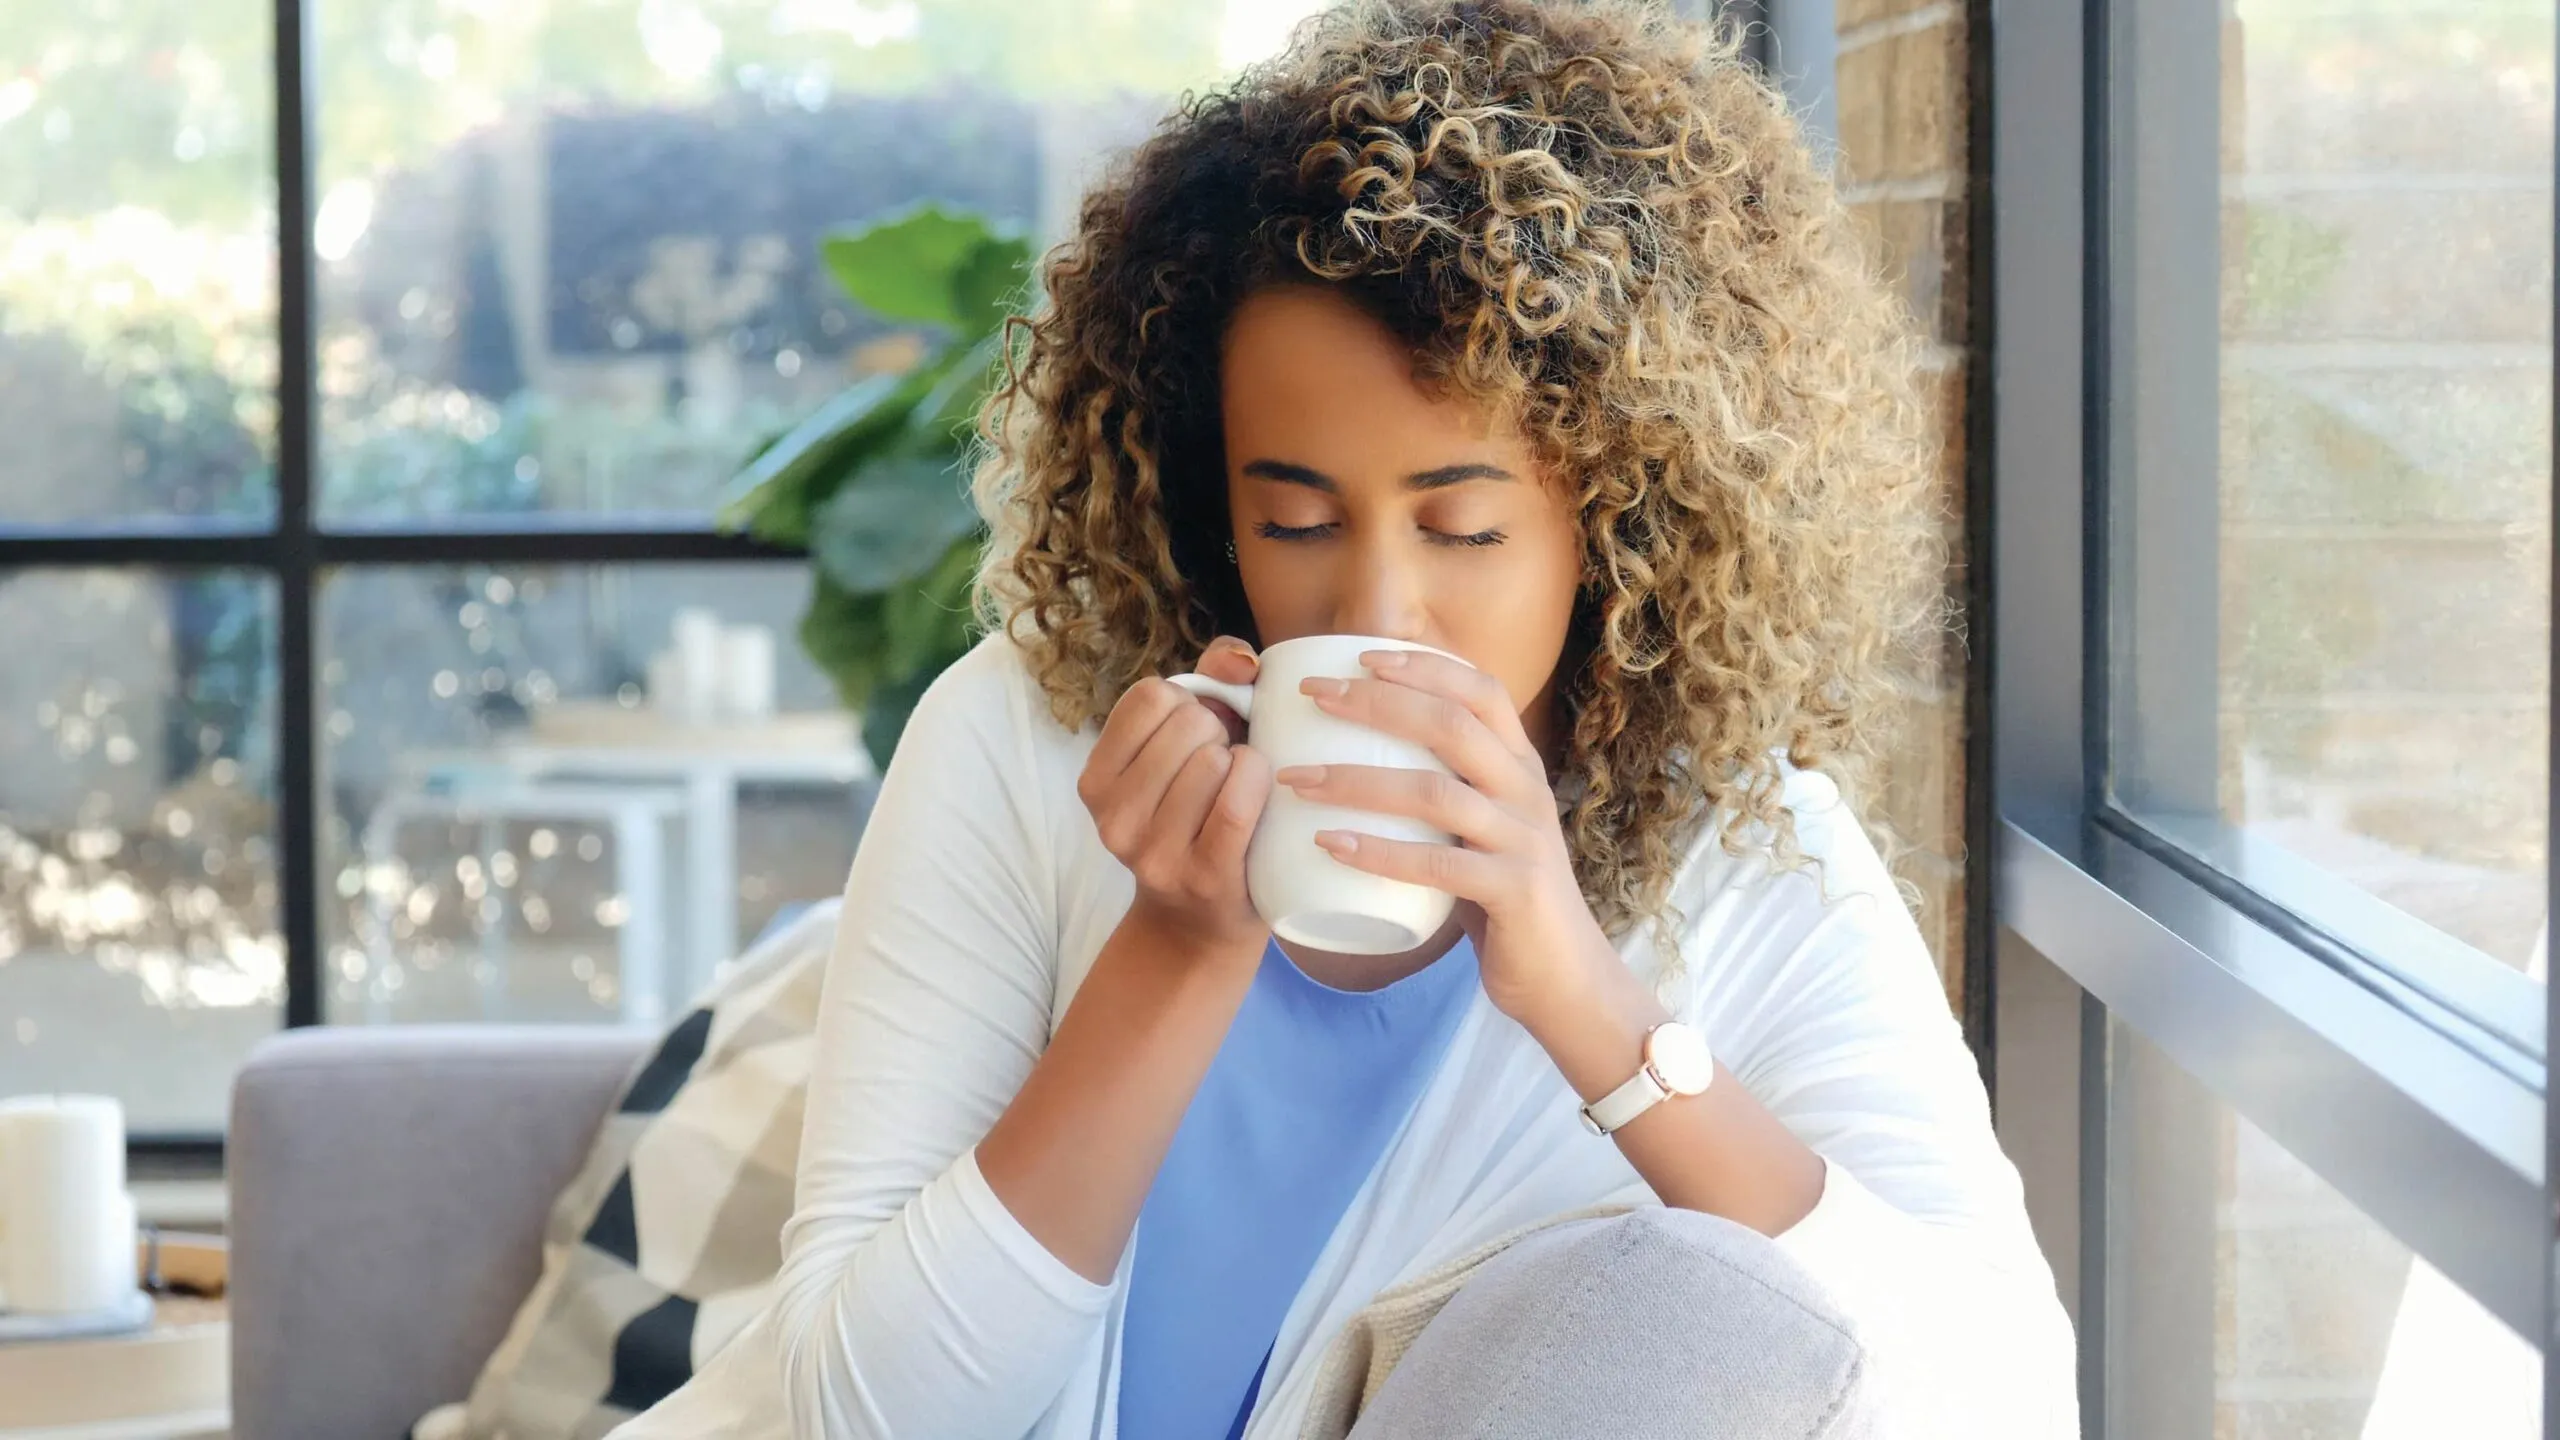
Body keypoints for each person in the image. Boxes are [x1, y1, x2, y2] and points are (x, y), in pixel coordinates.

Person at [613, 1, 2077, 1436]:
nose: (1373, 609)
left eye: (1463, 530)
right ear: (1213, 503)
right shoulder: (1025, 739)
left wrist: (1585, 1000)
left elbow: (2005, 1398)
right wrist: (1177, 950)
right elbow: (866, 1417)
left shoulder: (1743, 854)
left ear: (1619, 514)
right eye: (1296, 518)